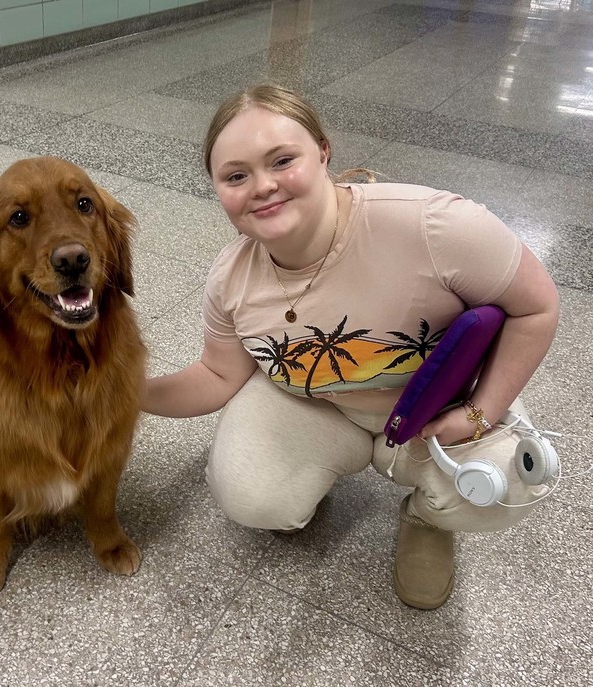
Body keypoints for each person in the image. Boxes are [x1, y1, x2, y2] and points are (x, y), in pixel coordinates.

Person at [142, 84, 560, 610]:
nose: (262, 186)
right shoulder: (231, 278)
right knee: (250, 494)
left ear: (323, 151)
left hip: (434, 412)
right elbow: (217, 375)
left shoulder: (432, 225)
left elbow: (537, 306)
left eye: (282, 160)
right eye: (236, 176)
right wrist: (126, 391)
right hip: (317, 404)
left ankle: (426, 517)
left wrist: (482, 412)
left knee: (509, 484)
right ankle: (316, 474)